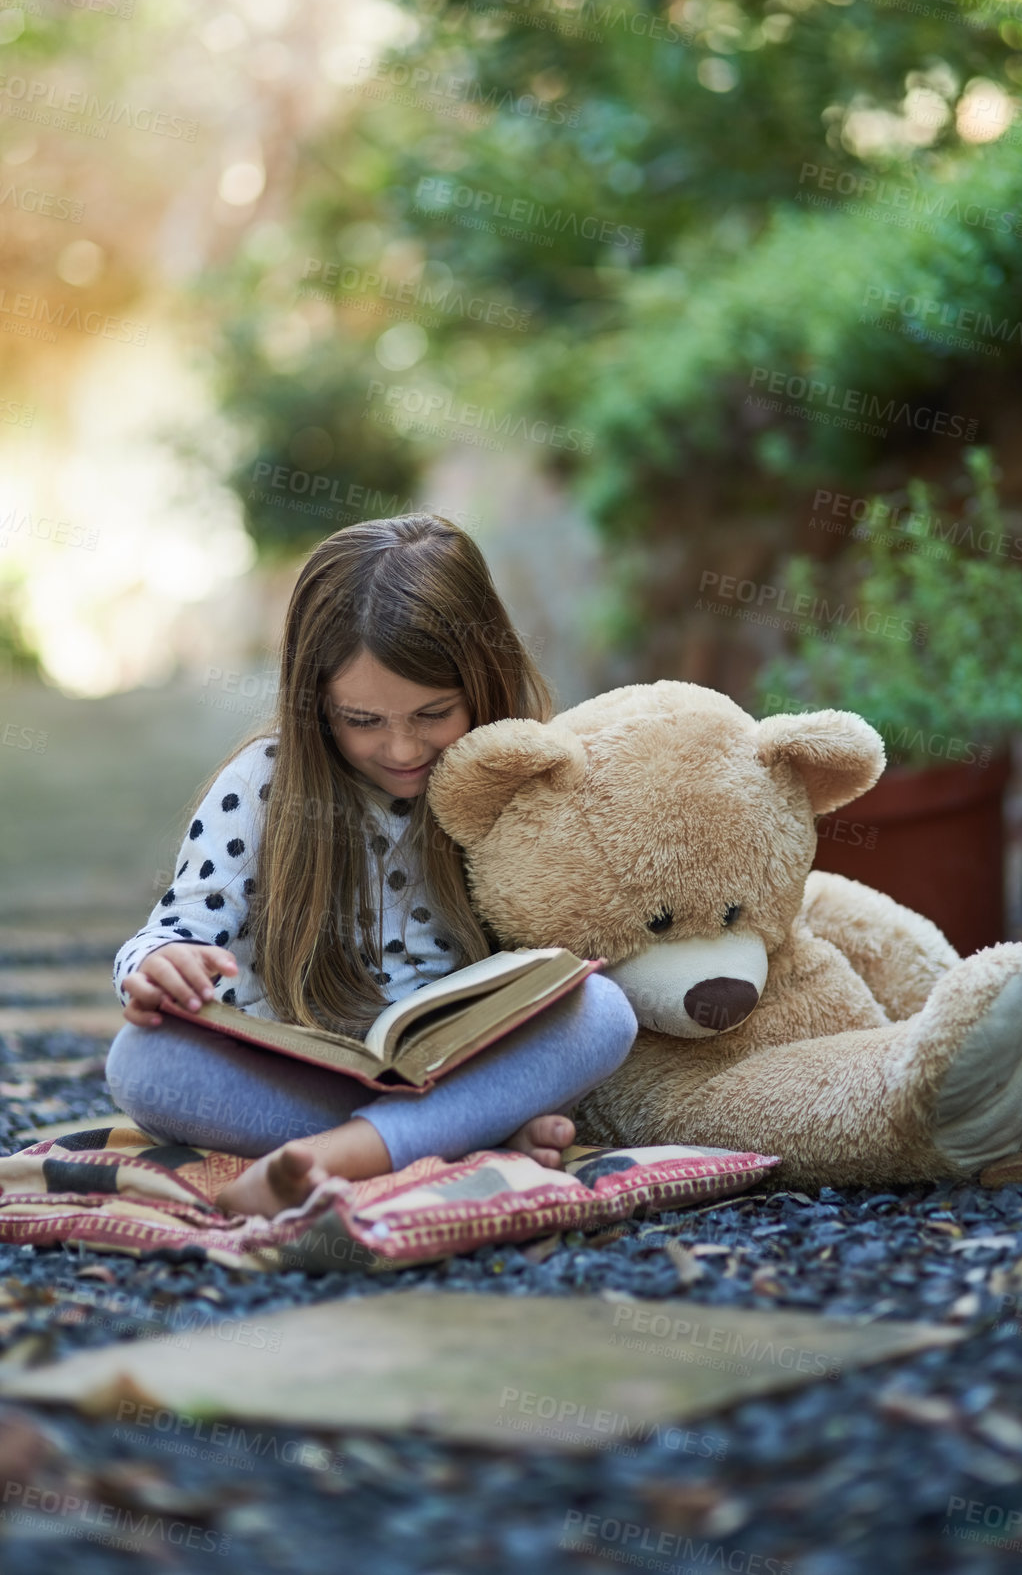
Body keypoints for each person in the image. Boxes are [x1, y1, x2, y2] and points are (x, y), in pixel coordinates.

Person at [105, 514, 637, 1219]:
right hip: (306, 1076)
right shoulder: (261, 786)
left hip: (463, 1061)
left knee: (604, 1012)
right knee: (141, 1062)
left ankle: (346, 1155)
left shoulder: (520, 778)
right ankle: (452, 1134)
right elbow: (178, 926)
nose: (401, 748)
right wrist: (158, 962)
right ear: (313, 698)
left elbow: (572, 943)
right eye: (361, 720)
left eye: (433, 713)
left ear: (484, 679)